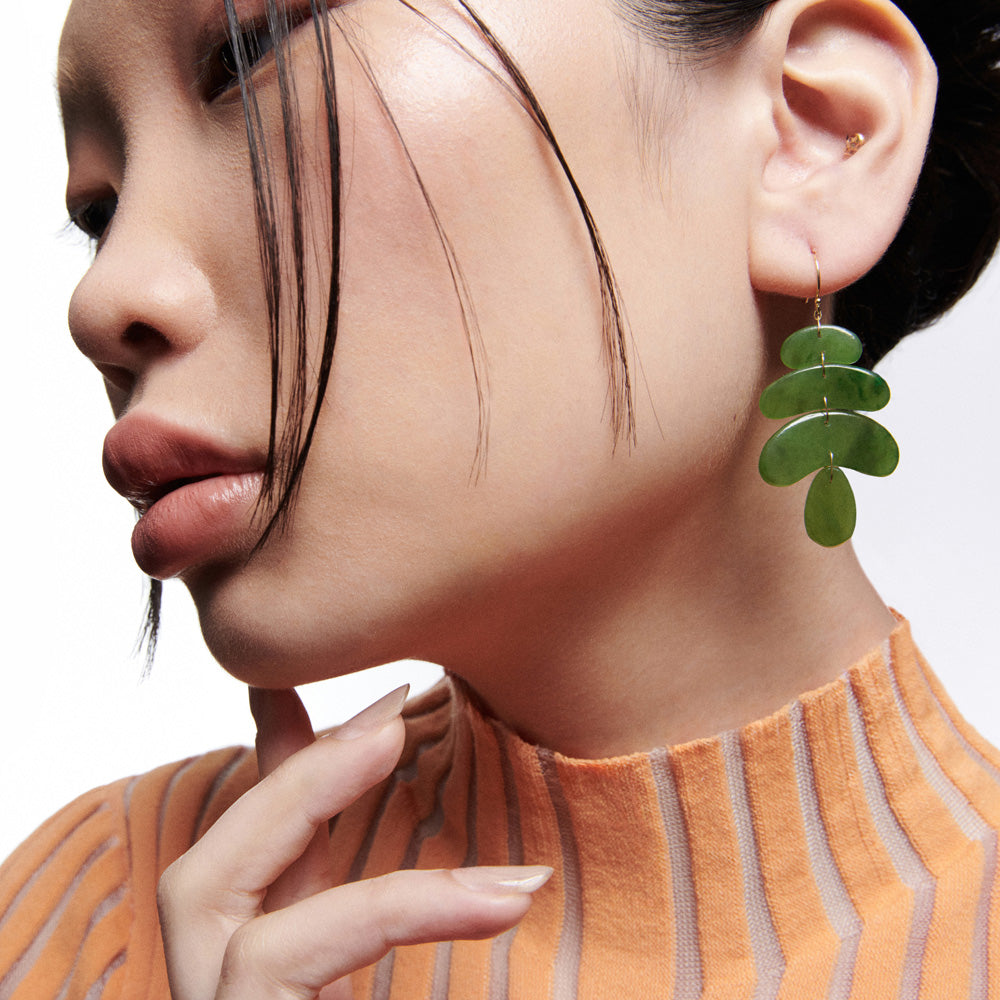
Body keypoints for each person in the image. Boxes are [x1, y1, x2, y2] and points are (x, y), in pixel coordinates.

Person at [2, 0, 1000, 996]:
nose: (102, 300)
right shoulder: (90, 921)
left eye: (248, 57)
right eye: (99, 213)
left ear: (811, 131)